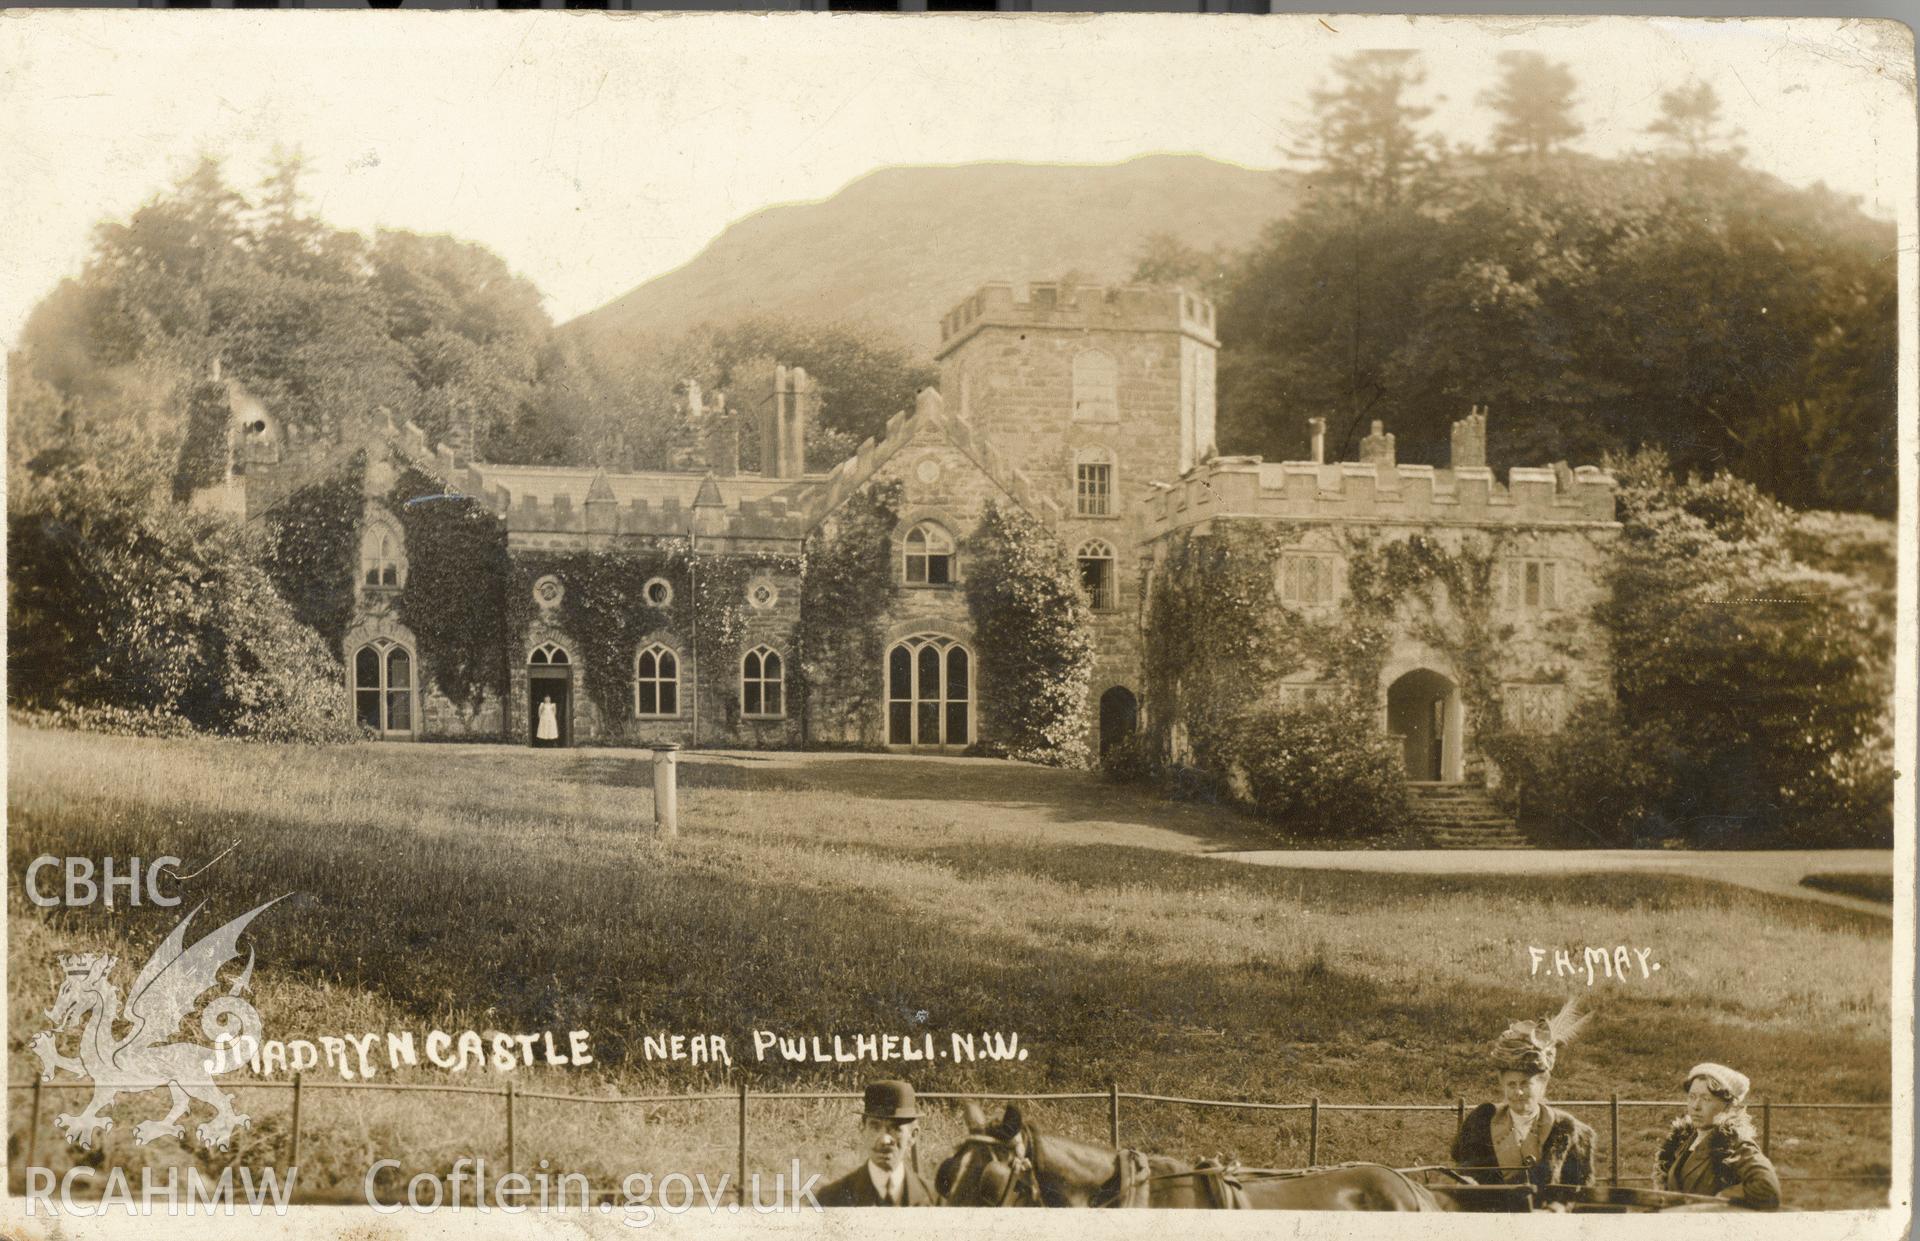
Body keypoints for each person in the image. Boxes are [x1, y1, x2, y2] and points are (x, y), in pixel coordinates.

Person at [1449, 998, 1597, 1192]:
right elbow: (1465, 1174)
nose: (1517, 1092)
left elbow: (1580, 1193)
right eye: (1511, 1085)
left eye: (1525, 1084)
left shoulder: (1567, 1130)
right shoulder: (1481, 1123)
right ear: (1502, 1085)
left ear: (1542, 1085)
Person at [1654, 1063, 1781, 1209]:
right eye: (1692, 1097)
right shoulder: (1685, 1141)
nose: (1696, 1106)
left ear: (1728, 1106)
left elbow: (1768, 1190)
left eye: (1706, 1099)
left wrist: (1715, 1204)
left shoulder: (1734, 1144)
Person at [816, 1081, 938, 1207]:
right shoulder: (832, 1199)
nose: (885, 1139)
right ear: (862, 1129)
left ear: (913, 1135)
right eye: (875, 1127)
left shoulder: (936, 1201)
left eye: (896, 1128)